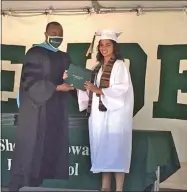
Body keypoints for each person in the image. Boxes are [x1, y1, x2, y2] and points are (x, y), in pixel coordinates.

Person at [64, 30, 134, 192]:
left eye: (107, 45)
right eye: (101, 45)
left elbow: (121, 90)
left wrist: (98, 90)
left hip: (115, 117)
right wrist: (72, 81)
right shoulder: (96, 68)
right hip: (98, 117)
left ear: (114, 47)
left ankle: (119, 189)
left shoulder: (119, 66)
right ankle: (105, 188)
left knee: (116, 151)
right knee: (103, 151)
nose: (104, 48)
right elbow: (88, 90)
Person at [9, 21, 74, 192]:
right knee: (30, 149)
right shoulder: (34, 53)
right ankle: (18, 186)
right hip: (35, 111)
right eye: (53, 33)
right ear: (45, 34)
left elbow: (69, 79)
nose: (57, 37)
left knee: (48, 149)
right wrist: (57, 87)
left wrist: (74, 81)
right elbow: (30, 82)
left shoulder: (63, 56)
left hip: (54, 112)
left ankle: (36, 186)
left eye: (60, 33)